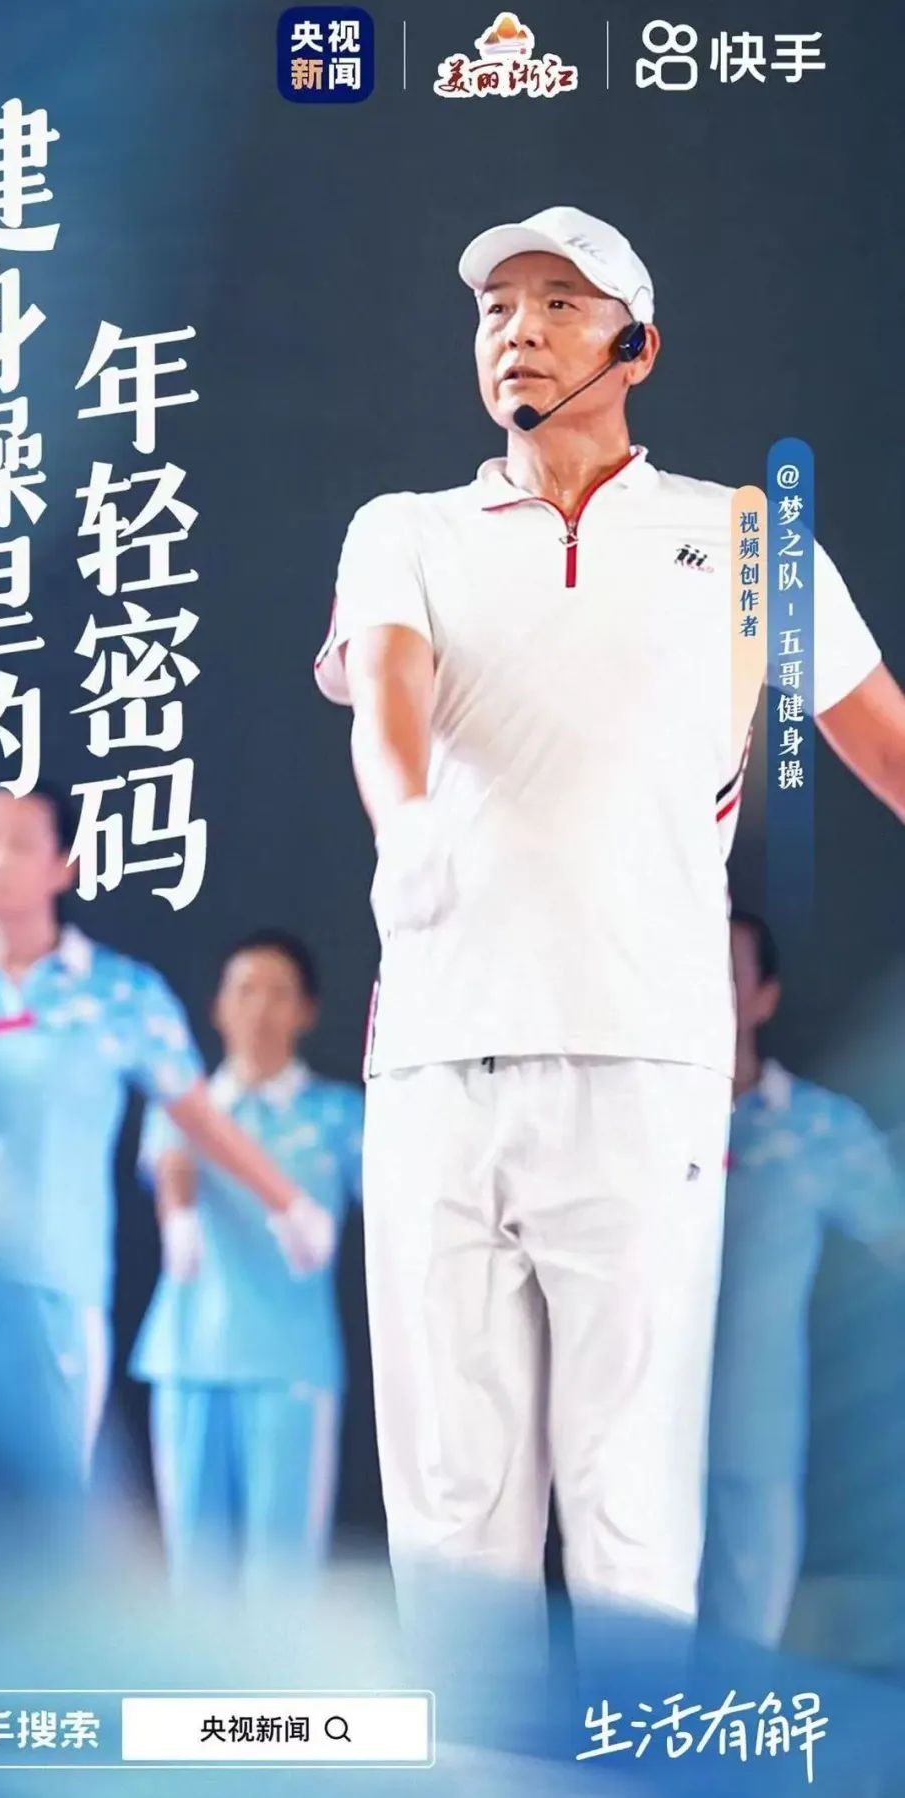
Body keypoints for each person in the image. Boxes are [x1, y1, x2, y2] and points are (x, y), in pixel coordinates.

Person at [313, 203, 905, 1621]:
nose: (517, 330)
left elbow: (888, 747)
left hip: (646, 1059)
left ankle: (633, 1746)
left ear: (637, 345)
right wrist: (408, 824)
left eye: (558, 303)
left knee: (631, 1500)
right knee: (452, 1513)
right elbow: (388, 692)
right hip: (439, 1060)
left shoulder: (747, 540)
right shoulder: (406, 529)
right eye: (495, 308)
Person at [0, 788, 336, 1476]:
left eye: (19, 844)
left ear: (62, 866)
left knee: (45, 1503)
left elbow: (196, 1115)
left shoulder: (122, 993)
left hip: (58, 1291)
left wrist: (289, 1203)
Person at [130, 930, 364, 1588]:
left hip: (290, 1362)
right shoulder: (185, 1105)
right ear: (218, 1006)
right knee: (194, 1573)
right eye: (245, 990)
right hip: (189, 1355)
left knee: (281, 1576)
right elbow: (173, 1164)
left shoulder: (339, 1116)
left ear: (306, 1011)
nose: (260, 1007)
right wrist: (178, 1218)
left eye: (279, 993)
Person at [700, 908, 905, 1647]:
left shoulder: (817, 1129)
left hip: (753, 1441)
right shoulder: (625, 1129)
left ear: (765, 997)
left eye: (727, 976)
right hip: (626, 1441)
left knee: (741, 1653)